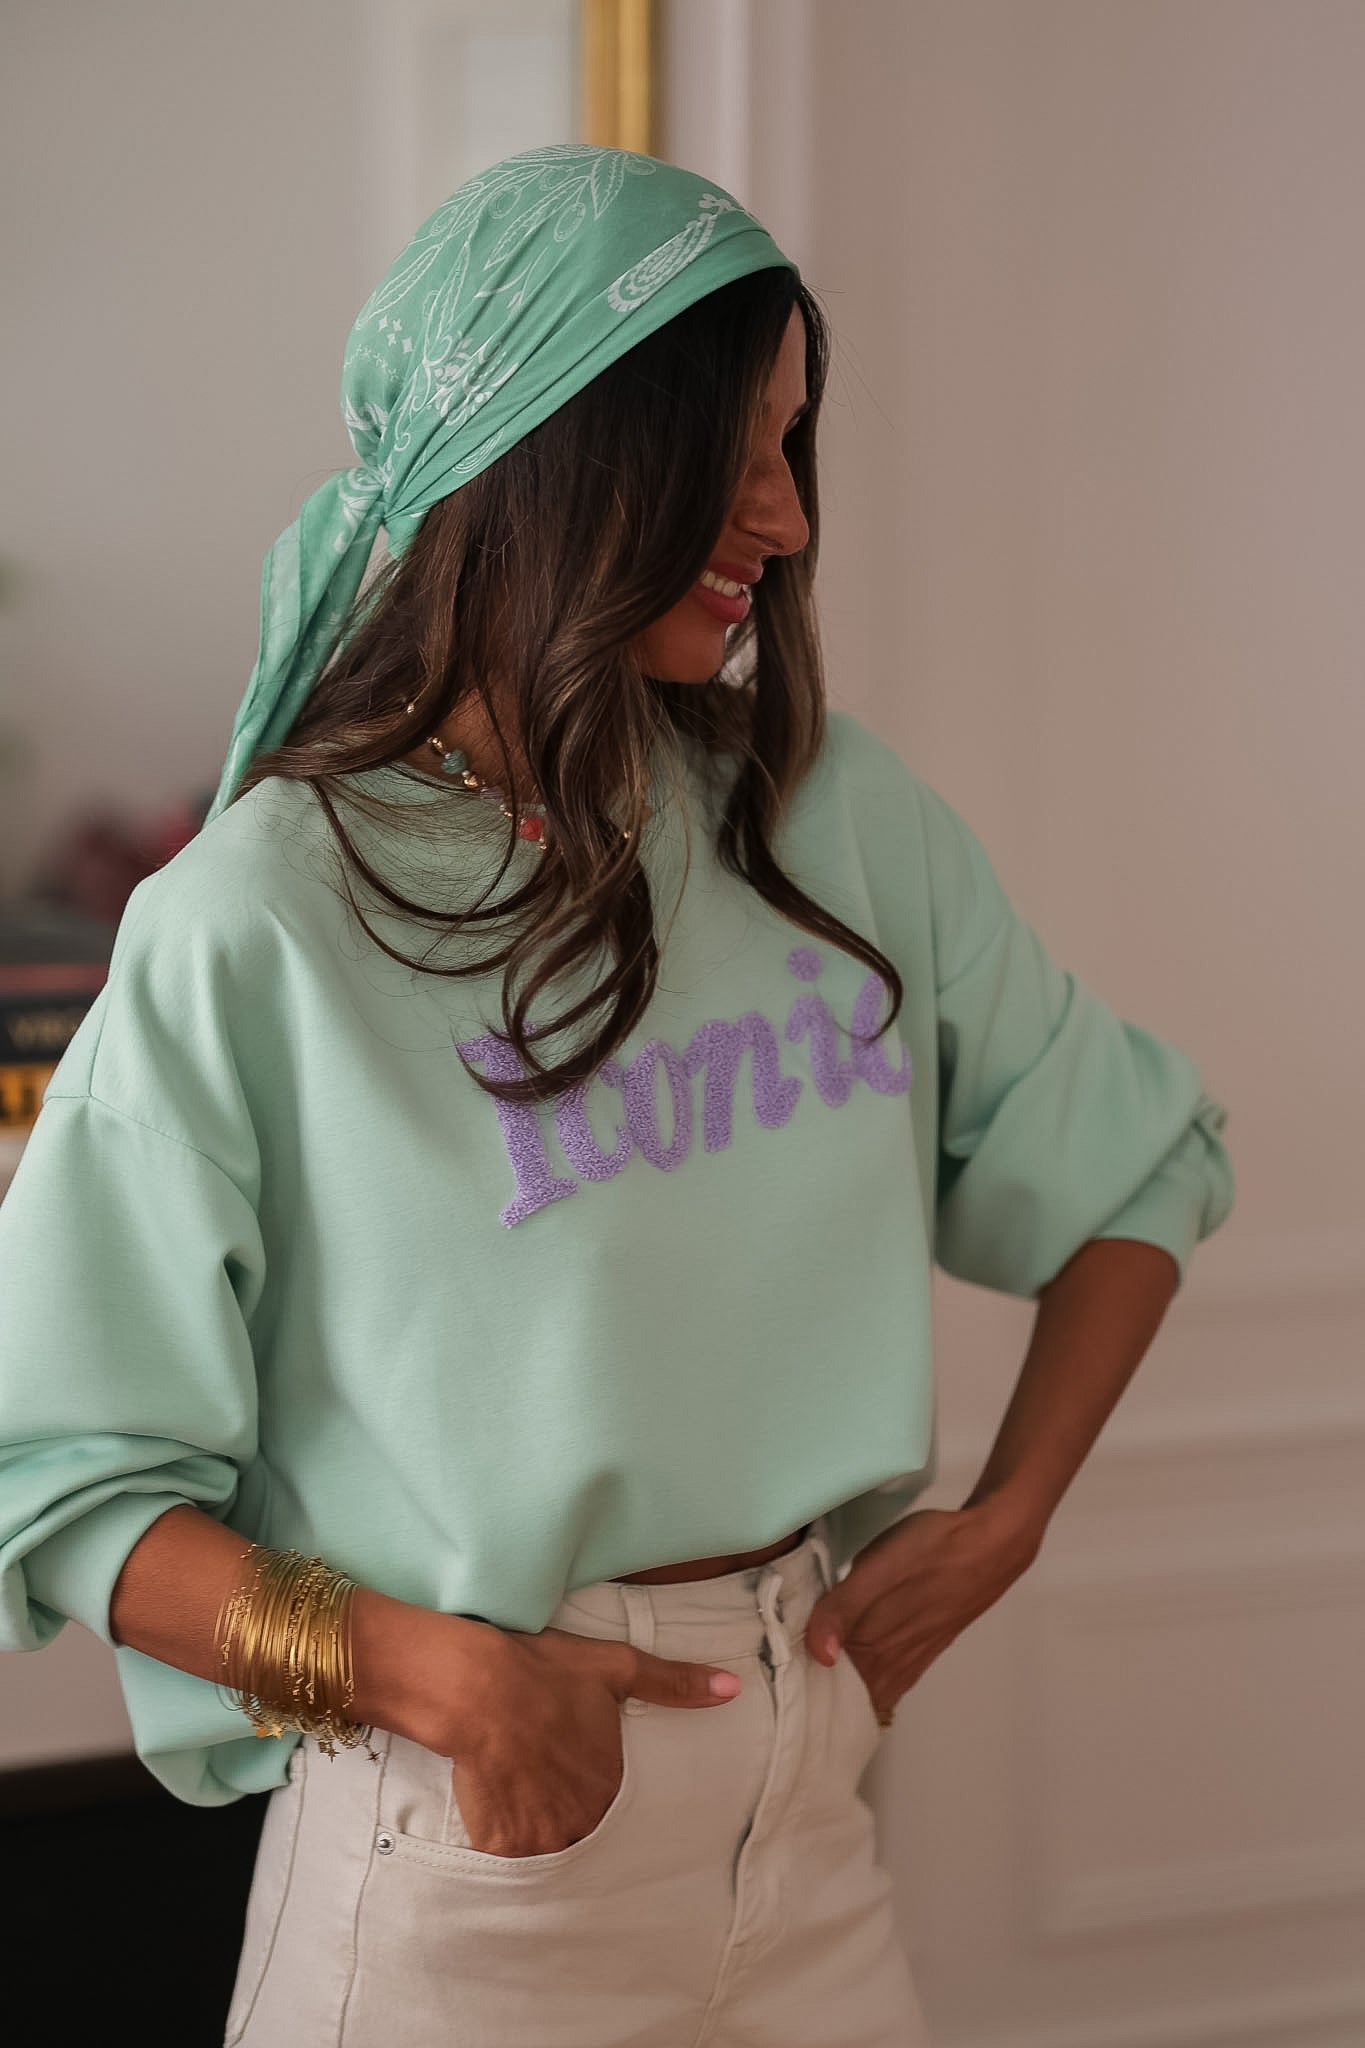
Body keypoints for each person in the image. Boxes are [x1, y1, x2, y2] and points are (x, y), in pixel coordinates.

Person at [0, 145, 1232, 2048]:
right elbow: (65, 1490)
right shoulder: (258, 918)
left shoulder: (827, 815)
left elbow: (1137, 1169)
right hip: (462, 1844)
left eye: (791, 449)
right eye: (727, 458)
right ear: (554, 459)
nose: (785, 519)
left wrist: (1008, 1519)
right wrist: (441, 1684)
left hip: (808, 1816)